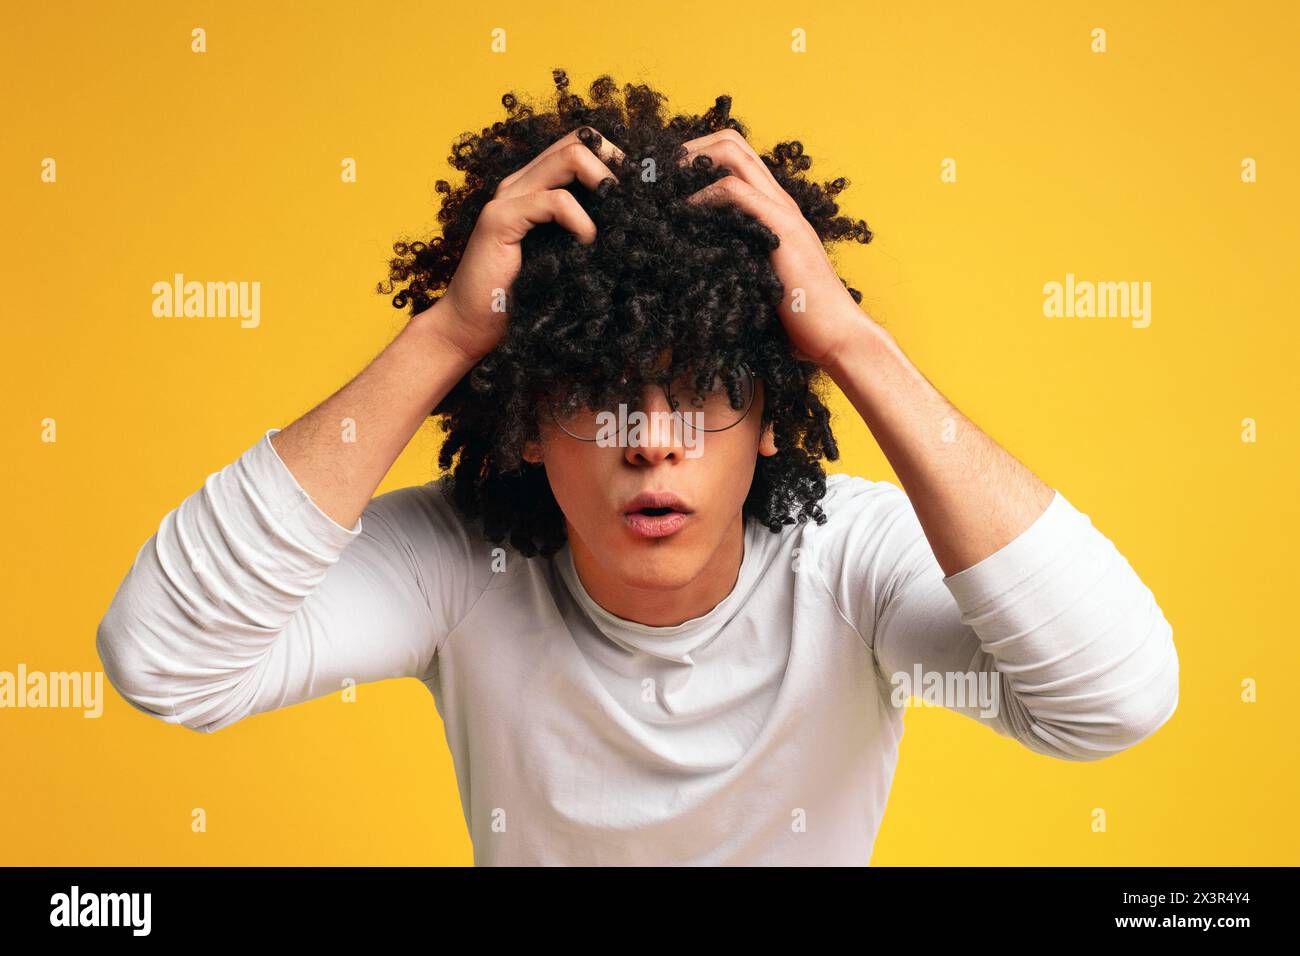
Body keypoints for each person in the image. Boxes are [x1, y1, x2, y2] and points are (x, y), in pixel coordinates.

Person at [95, 69, 1179, 865]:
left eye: (703, 385)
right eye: (593, 392)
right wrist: (447, 335)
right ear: (522, 421)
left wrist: (847, 337)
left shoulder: (848, 557)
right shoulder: (463, 560)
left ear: (770, 414)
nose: (648, 438)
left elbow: (1116, 698)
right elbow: (164, 659)